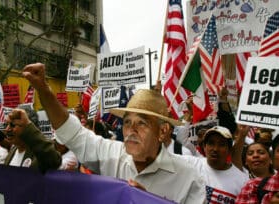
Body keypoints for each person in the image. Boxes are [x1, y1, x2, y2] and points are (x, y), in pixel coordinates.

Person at [22, 63, 206, 203]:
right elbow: (73, 133)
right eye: (127, 122)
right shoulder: (112, 154)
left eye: (141, 123)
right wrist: (43, 89)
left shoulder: (189, 179)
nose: (131, 131)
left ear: (163, 131)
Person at [178, 126, 249, 203]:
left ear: (229, 150)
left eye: (221, 144)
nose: (215, 149)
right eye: (211, 143)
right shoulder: (190, 163)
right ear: (204, 147)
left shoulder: (243, 181)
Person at [3, 108, 62, 173]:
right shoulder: (12, 151)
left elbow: (54, 161)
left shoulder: (42, 152)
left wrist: (28, 125)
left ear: (28, 127)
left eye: (13, 125)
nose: (7, 129)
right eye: (6, 124)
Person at [236, 134, 279, 203]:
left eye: (261, 152)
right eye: (250, 153)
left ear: (270, 159)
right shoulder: (252, 186)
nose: (255, 156)